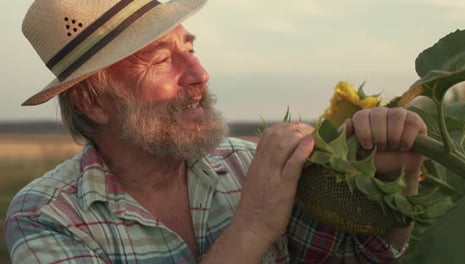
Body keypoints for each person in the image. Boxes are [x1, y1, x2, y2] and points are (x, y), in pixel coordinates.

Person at [5, 0, 426, 263]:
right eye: (158, 60)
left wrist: (394, 175)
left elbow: (360, 256)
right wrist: (254, 225)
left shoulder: (245, 164)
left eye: (188, 48)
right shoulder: (49, 216)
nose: (199, 73)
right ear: (92, 102)